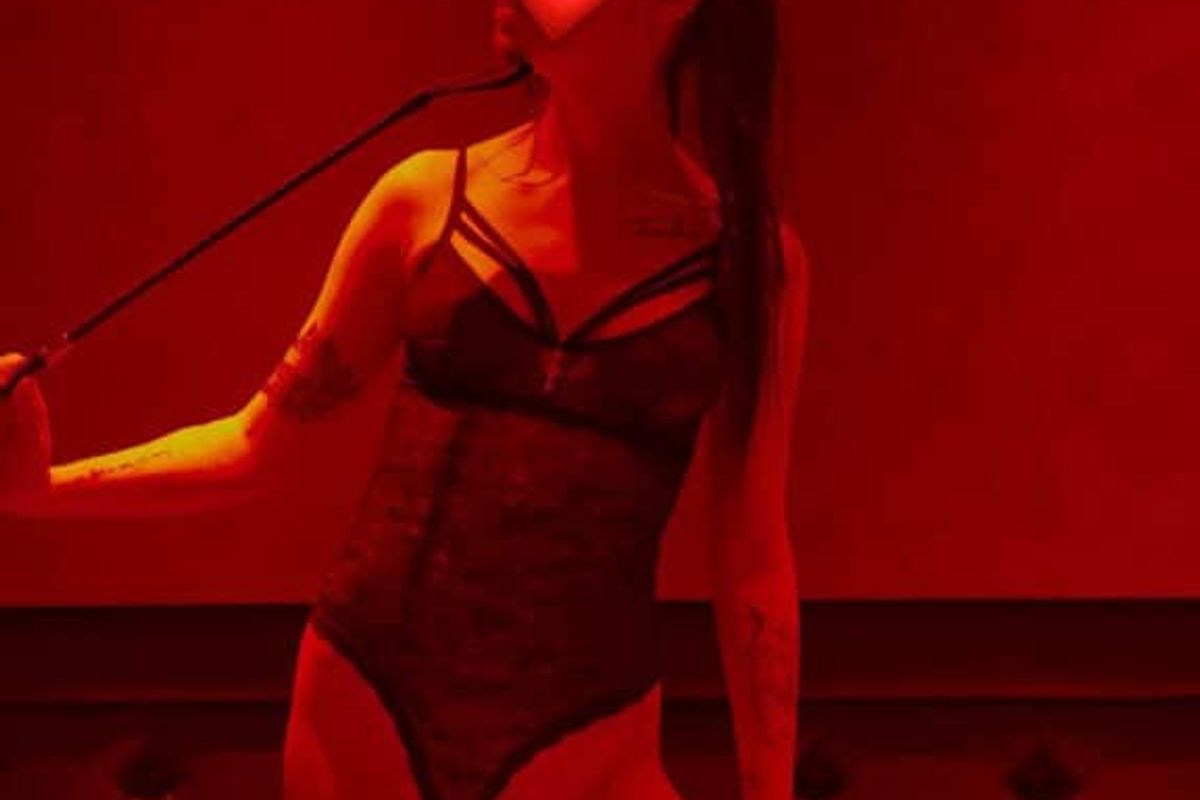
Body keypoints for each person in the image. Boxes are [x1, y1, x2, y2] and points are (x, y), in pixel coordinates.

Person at [0, 0, 808, 797]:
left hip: (590, 740)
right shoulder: (423, 199)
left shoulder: (750, 263)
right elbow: (256, 445)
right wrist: (37, 492)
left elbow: (752, 555)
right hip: (364, 713)